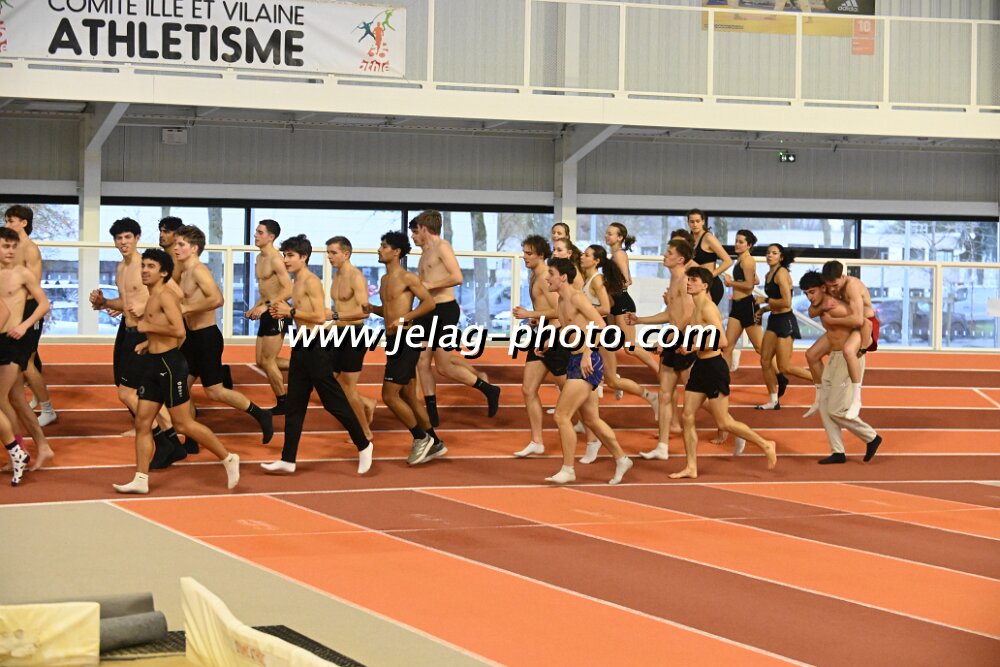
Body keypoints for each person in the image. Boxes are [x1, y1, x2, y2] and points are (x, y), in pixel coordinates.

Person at [113, 249, 240, 494]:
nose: (144, 270)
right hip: (153, 363)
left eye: (151, 267)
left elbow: (180, 331)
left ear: (163, 273)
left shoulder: (166, 297)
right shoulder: (153, 297)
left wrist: (147, 327)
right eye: (144, 266)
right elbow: (169, 333)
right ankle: (141, 478)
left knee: (183, 424)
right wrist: (148, 343)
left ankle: (228, 457)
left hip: (169, 366)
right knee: (142, 422)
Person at [260, 236, 373, 475]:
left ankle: (364, 444)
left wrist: (290, 311)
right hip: (301, 345)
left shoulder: (311, 281)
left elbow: (320, 317)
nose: (286, 260)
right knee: (294, 405)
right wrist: (283, 312)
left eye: (290, 255)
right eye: (284, 255)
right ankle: (288, 459)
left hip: (316, 346)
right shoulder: (296, 282)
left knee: (333, 402)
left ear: (304, 257)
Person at [89, 218, 187, 469]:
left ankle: (165, 442)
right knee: (142, 393)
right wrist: (104, 303)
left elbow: (177, 294)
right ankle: (172, 442)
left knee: (127, 393)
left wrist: (146, 306)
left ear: (137, 238)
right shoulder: (121, 268)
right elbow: (126, 303)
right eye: (118, 238)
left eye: (127, 237)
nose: (123, 242)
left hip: (145, 336)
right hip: (128, 332)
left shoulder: (145, 265)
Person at [670, 267, 777, 479]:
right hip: (700, 367)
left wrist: (693, 348)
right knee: (687, 416)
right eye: (689, 279)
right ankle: (691, 466)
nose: (689, 283)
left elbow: (723, 341)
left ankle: (765, 444)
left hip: (714, 368)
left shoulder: (708, 309)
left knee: (724, 423)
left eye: (693, 280)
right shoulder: (696, 308)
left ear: (704, 285)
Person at [172, 225, 273, 443]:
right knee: (181, 387)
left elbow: (218, 299)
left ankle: (260, 414)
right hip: (191, 338)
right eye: (175, 244)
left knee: (215, 391)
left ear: (194, 248)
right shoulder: (183, 271)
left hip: (206, 338)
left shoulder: (198, 270)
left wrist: (187, 308)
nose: (176, 248)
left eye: (181, 244)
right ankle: (191, 439)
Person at [543, 257, 632, 485]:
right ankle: (622, 459)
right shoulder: (562, 300)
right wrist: (550, 340)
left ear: (563, 277)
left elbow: (601, 325)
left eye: (551, 274)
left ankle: (568, 469)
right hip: (576, 360)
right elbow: (571, 328)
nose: (547, 278)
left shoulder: (577, 297)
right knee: (591, 419)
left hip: (587, 362)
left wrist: (587, 352)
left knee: (561, 415)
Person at [409, 211, 500, 426]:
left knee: (444, 367)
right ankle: (432, 414)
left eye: (415, 231)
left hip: (444, 310)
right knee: (421, 362)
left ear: (424, 228)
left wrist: (429, 285)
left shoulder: (443, 247)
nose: (413, 236)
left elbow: (457, 277)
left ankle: (489, 389)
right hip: (426, 310)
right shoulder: (424, 253)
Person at [364, 231, 444, 465]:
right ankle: (435, 442)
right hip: (393, 340)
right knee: (409, 396)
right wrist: (373, 309)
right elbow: (390, 311)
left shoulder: (408, 278)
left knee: (389, 395)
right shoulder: (384, 280)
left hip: (406, 339)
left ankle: (420, 438)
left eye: (384, 246)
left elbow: (429, 303)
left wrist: (405, 318)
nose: (379, 249)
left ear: (396, 252)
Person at [625, 238, 696, 461]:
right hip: (673, 341)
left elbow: (689, 314)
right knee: (665, 395)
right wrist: (640, 320)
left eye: (669, 253)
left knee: (699, 396)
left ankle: (729, 426)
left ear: (680, 259)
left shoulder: (685, 281)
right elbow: (670, 314)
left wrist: (669, 339)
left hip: (685, 343)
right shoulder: (673, 280)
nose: (665, 255)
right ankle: (662, 447)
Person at [799, 271, 882, 464]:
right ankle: (838, 451)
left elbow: (865, 324)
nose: (809, 297)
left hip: (848, 358)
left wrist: (862, 349)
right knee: (825, 406)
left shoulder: (837, 306)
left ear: (823, 288)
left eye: (812, 292)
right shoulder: (821, 305)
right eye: (806, 293)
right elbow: (811, 311)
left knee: (836, 410)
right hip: (834, 357)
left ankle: (871, 437)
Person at [716, 230, 788, 442]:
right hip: (737, 306)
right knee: (727, 346)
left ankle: (779, 376)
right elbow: (753, 280)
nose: (737, 244)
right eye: (736, 241)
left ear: (749, 245)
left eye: (741, 242)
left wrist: (731, 284)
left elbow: (748, 286)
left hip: (747, 306)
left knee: (760, 348)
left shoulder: (748, 261)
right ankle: (721, 384)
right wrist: (747, 280)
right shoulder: (742, 261)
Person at [581, 244, 658, 419]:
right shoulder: (591, 278)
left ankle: (655, 378)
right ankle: (586, 417)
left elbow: (607, 305)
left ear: (596, 260)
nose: (582, 257)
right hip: (601, 326)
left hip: (621, 307)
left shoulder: (612, 263)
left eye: (586, 255)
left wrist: (585, 310)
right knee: (608, 377)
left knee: (629, 347)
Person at [0, 226, 49, 485]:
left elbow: (44, 304)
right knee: (14, 399)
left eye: (13, 246)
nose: (10, 251)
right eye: (5, 246)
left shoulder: (22, 274)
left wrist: (24, 325)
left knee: (3, 399)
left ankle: (18, 450)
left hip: (13, 341)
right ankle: (30, 448)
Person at [803, 260, 878, 420]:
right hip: (849, 323)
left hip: (865, 325)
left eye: (835, 285)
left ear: (843, 277)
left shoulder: (852, 286)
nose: (833, 289)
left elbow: (858, 320)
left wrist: (832, 320)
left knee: (849, 350)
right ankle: (821, 396)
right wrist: (823, 307)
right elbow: (811, 311)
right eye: (829, 286)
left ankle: (857, 399)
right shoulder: (828, 285)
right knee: (811, 355)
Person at [4, 206, 57, 428]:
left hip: (29, 308)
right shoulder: (12, 248)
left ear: (24, 223)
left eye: (11, 221)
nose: (7, 225)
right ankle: (34, 397)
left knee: (26, 362)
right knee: (23, 360)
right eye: (6, 221)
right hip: (14, 308)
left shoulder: (30, 249)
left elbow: (33, 285)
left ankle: (48, 409)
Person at [510, 235, 564, 457]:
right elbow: (546, 310)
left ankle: (593, 437)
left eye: (529, 253)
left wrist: (529, 314)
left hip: (555, 337)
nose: (524, 257)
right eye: (524, 252)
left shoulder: (544, 277)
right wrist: (536, 319)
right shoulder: (534, 275)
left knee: (571, 394)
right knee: (528, 389)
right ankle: (537, 441)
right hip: (540, 334)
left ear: (541, 255)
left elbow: (560, 311)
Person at [324, 235, 376, 443]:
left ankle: (365, 432)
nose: (329, 257)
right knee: (328, 381)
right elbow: (341, 307)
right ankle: (366, 403)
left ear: (346, 254)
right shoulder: (337, 276)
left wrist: (335, 316)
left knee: (347, 387)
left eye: (333, 253)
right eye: (328, 253)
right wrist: (330, 325)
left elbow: (365, 312)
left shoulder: (356, 277)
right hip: (337, 333)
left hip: (355, 334)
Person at [754, 244, 812, 410]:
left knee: (784, 367)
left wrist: (765, 301)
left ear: (781, 257)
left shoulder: (782, 273)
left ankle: (823, 381)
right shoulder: (768, 275)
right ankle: (773, 401)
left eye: (774, 253)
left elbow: (786, 302)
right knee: (765, 361)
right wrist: (763, 310)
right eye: (768, 253)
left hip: (786, 321)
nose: (769, 255)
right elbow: (776, 302)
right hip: (774, 319)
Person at [245, 219, 292, 414]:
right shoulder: (259, 258)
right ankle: (305, 365)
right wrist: (256, 306)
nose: (255, 235)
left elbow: (288, 289)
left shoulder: (275, 259)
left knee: (269, 360)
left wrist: (266, 307)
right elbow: (266, 290)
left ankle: (284, 402)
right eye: (256, 231)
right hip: (267, 310)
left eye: (260, 232)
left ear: (271, 237)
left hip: (278, 313)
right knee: (261, 361)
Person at [605, 222, 659, 375]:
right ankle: (610, 376)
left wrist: (605, 284)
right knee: (607, 342)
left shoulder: (619, 255)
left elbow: (627, 281)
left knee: (629, 347)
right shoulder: (614, 255)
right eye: (607, 233)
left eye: (610, 234)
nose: (606, 236)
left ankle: (659, 371)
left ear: (620, 237)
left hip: (622, 302)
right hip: (613, 303)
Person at [687, 209, 733, 306]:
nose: (695, 224)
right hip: (697, 285)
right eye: (692, 222)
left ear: (703, 222)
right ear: (688, 223)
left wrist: (709, 276)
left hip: (711, 285)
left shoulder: (708, 238)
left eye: (697, 221)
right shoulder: (690, 239)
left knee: (706, 314)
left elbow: (728, 261)